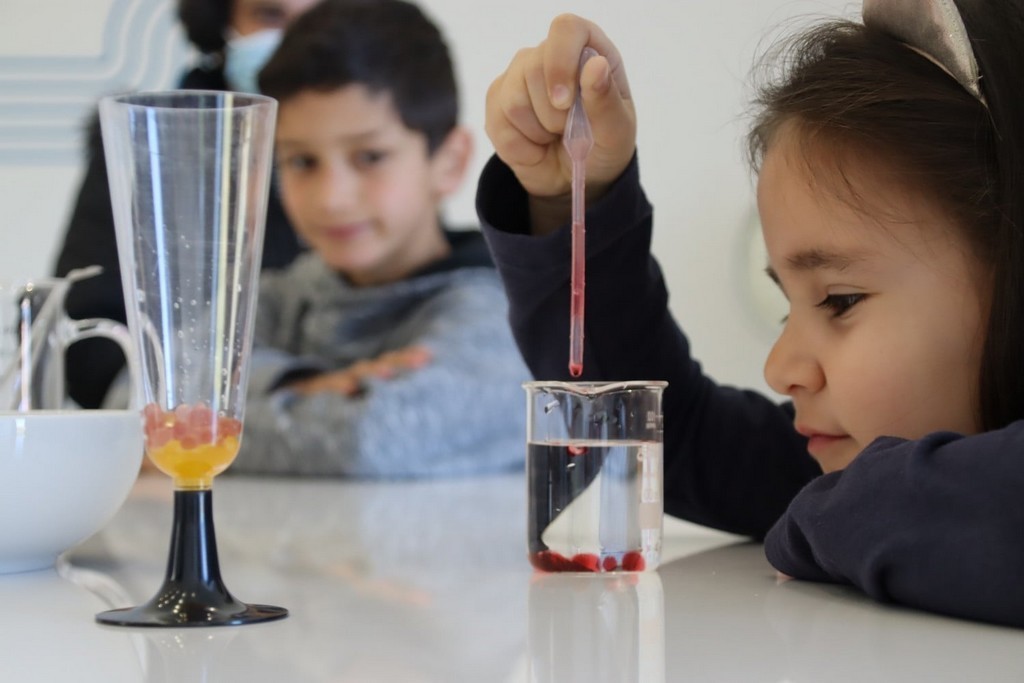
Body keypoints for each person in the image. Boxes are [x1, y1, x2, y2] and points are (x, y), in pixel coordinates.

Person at [477, 2, 1024, 628]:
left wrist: (832, 515)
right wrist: (571, 196)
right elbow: (662, 435)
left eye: (839, 301)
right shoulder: (866, 451)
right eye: (787, 304)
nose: (780, 368)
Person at [229, 0, 529, 477]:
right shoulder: (281, 297)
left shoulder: (503, 319)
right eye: (301, 162)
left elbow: (367, 440)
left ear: (449, 162)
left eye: (369, 157)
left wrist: (209, 421)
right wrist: (311, 386)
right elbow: (136, 399)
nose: (332, 199)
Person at [54, 0, 317, 409]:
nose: (297, 42)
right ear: (222, 20)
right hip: (181, 457)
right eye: (269, 15)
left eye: (320, 18)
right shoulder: (143, 147)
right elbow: (88, 349)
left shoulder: (385, 150)